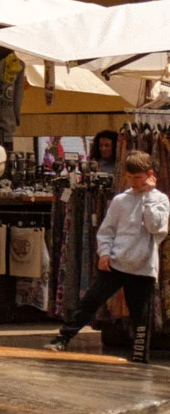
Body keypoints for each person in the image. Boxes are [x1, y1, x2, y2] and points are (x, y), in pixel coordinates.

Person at [49, 149, 170, 363]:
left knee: (140, 316)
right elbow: (106, 230)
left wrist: (149, 198)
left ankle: (140, 355)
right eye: (130, 177)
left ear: (150, 174)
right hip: (116, 262)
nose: (133, 181)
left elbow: (156, 228)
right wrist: (104, 253)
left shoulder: (160, 200)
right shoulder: (120, 200)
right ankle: (62, 338)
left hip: (143, 266)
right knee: (90, 301)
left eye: (138, 177)